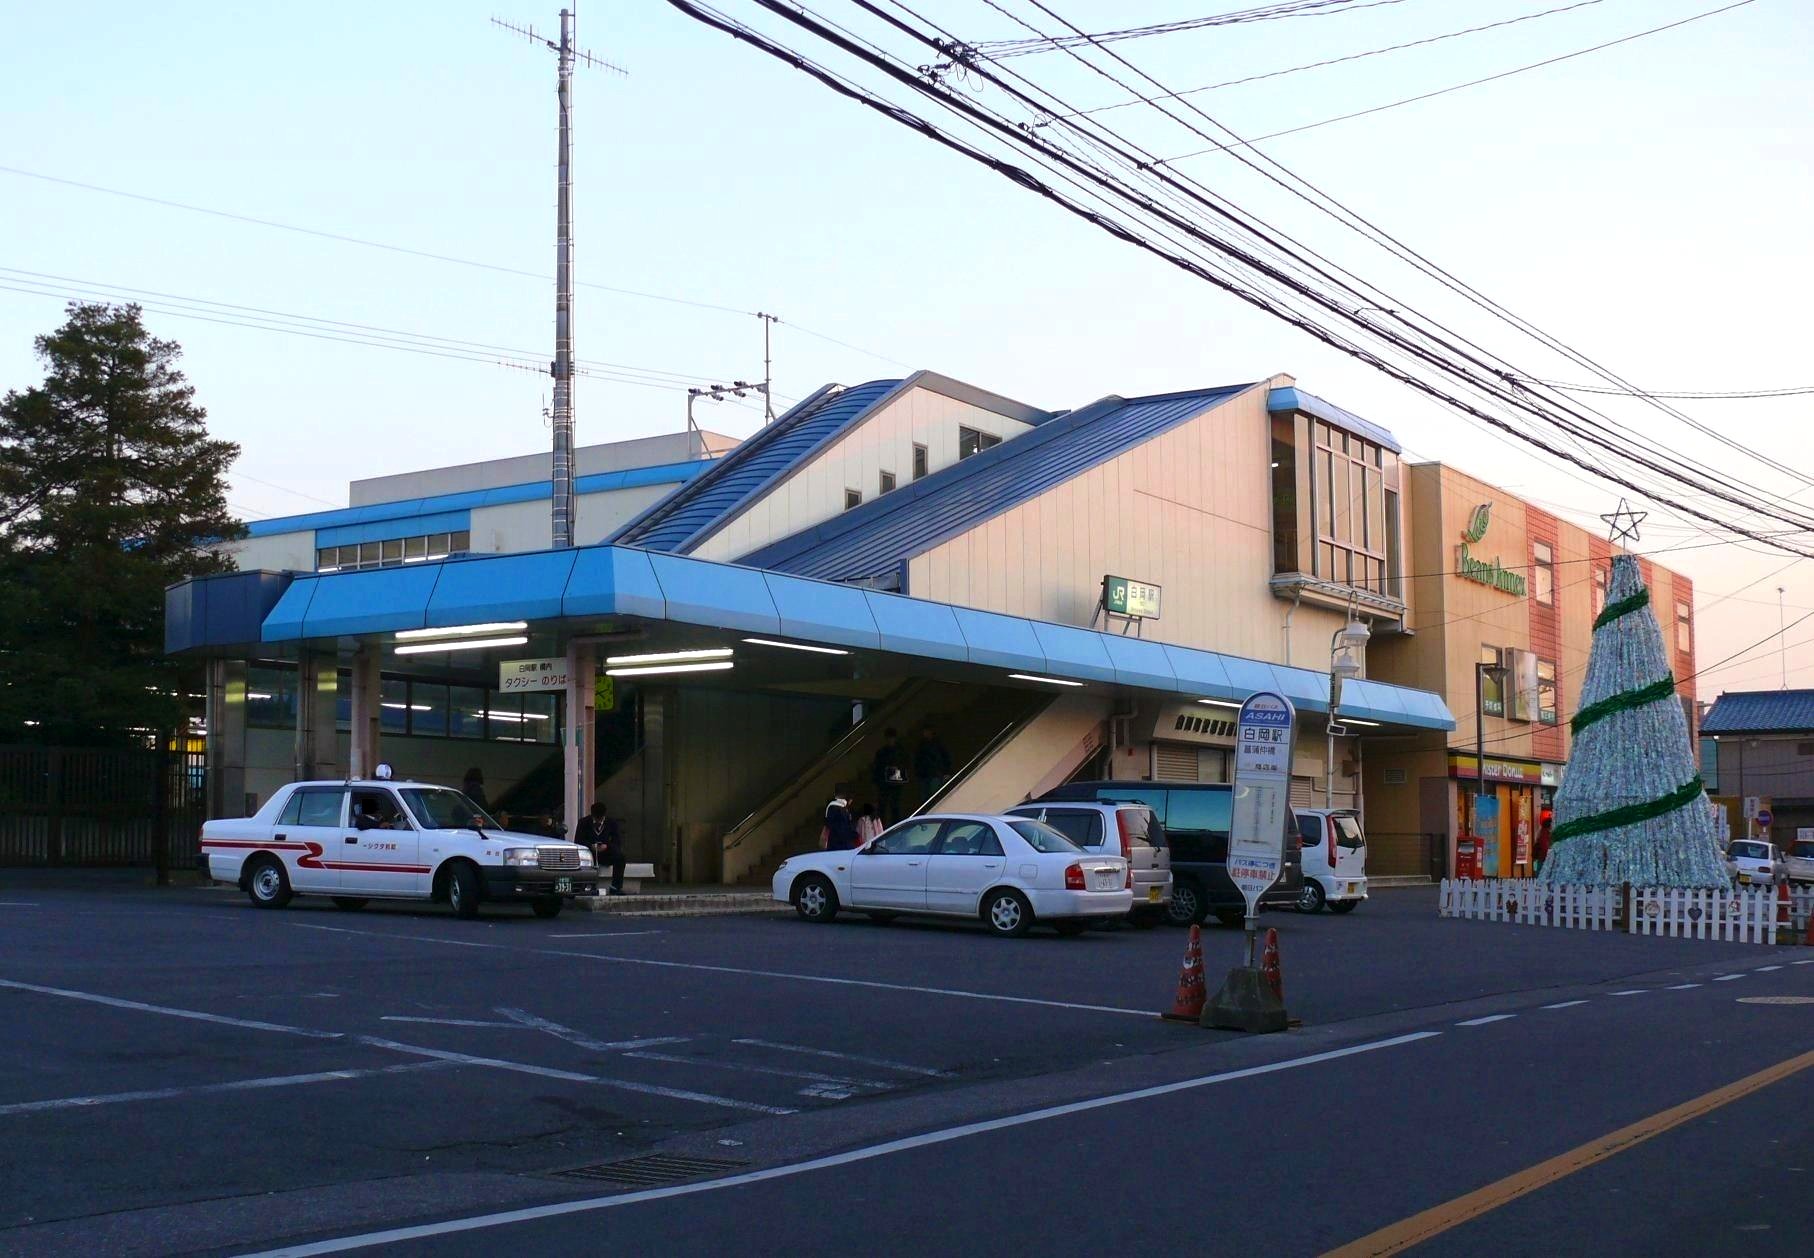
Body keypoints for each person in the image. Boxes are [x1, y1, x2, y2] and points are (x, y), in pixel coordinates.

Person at [576, 802, 626, 895]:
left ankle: (616, 887)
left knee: (620, 857)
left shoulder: (611, 823)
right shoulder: (583, 822)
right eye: (596, 819)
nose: (599, 821)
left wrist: (606, 846)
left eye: (601, 819)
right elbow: (578, 840)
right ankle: (587, 887)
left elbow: (617, 841)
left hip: (605, 853)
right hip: (590, 854)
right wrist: (591, 846)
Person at [872, 728, 906, 825]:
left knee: (894, 805)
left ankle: (893, 824)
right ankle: (884, 824)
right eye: (889, 738)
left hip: (894, 781)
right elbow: (878, 767)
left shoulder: (898, 751)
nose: (890, 740)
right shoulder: (885, 752)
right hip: (886, 782)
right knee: (885, 806)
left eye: (891, 738)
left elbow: (904, 764)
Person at [914, 726, 953, 806]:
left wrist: (946, 772)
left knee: (934, 796)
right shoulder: (921, 746)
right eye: (924, 732)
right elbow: (918, 760)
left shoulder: (937, 744)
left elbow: (945, 758)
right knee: (926, 798)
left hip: (935, 774)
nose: (925, 734)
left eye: (927, 732)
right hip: (925, 775)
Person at [1533, 809, 1553, 874]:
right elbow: (1545, 846)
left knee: (1539, 871)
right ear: (1549, 825)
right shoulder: (1545, 833)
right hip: (1544, 857)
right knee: (1541, 872)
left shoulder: (1542, 832)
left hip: (1541, 857)